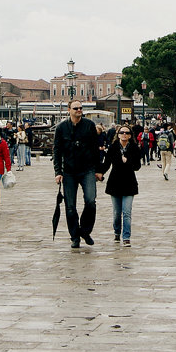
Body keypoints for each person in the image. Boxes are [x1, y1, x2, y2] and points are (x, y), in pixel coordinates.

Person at [53, 100, 105, 248]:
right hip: (69, 171)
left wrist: (99, 170)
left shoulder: (89, 126)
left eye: (81, 108)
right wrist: (58, 172)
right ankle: (75, 236)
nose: (79, 110)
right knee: (70, 206)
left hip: (87, 169)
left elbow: (96, 150)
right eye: (76, 108)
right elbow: (57, 151)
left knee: (90, 201)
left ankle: (85, 231)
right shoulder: (61, 128)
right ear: (69, 110)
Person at [101, 125, 141, 246]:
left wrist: (127, 161)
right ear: (118, 134)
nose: (124, 134)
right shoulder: (113, 147)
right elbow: (107, 163)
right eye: (122, 132)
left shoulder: (134, 148)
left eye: (127, 132)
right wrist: (99, 173)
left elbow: (137, 166)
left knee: (127, 212)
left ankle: (126, 237)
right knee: (117, 212)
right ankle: (117, 232)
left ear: (130, 135)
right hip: (115, 182)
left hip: (129, 183)